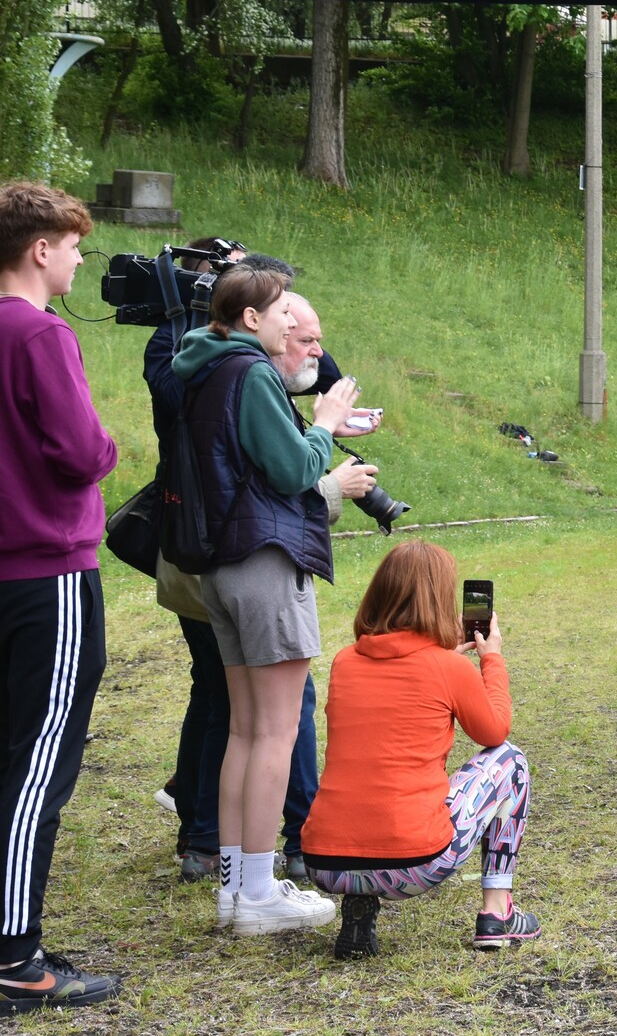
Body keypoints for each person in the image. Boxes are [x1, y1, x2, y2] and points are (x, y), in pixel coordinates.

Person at [171, 264, 362, 934]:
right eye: (284, 312)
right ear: (252, 318)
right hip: (264, 561)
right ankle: (257, 893)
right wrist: (325, 423)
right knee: (277, 731)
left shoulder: (204, 366)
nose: (291, 324)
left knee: (245, 730)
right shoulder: (250, 372)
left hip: (222, 569)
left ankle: (237, 888)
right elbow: (294, 470)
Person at [0, 182, 121, 1011]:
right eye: (74, 246)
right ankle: (15, 956)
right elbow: (82, 452)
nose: (79, 260)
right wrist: (107, 444)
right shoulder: (40, 332)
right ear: (40, 248)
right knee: (39, 762)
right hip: (48, 570)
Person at [302, 541, 538, 958]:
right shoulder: (449, 668)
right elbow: (494, 732)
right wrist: (492, 660)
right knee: (511, 761)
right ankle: (497, 913)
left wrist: (442, 657)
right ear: (441, 600)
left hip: (326, 863)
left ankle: (358, 908)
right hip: (413, 864)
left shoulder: (344, 662)